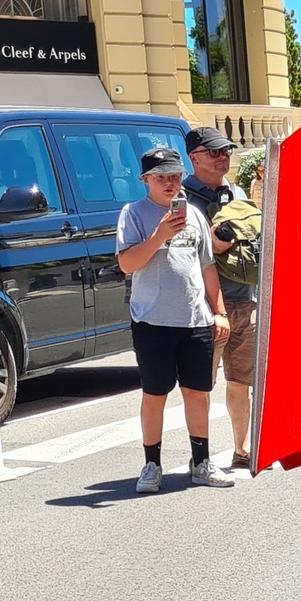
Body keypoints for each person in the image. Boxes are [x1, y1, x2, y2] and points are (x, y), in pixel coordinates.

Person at [117, 147, 232, 493]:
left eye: (175, 176)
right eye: (161, 177)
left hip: (195, 318)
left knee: (198, 393)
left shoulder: (194, 215)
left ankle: (201, 462)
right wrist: (160, 236)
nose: (170, 183)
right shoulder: (134, 213)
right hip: (153, 321)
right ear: (146, 181)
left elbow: (207, 266)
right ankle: (152, 464)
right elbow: (127, 264)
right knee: (155, 393)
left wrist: (219, 311)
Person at [183, 126, 259, 471]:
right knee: (199, 386)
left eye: (226, 151)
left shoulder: (238, 192)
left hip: (244, 301)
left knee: (242, 380)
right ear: (194, 157)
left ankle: (242, 449)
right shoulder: (180, 199)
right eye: (214, 152)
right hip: (200, 307)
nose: (223, 158)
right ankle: (201, 456)